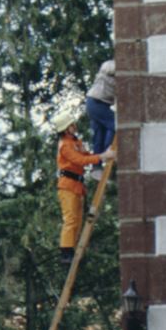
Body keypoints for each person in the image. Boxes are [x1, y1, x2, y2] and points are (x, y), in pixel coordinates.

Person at [55, 110, 111, 269]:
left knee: (78, 221)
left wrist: (100, 156)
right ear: (66, 128)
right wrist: (102, 157)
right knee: (71, 219)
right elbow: (80, 160)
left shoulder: (75, 142)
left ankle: (72, 250)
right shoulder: (65, 145)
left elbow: (86, 155)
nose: (74, 126)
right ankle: (66, 252)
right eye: (71, 124)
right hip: (67, 185)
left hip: (77, 185)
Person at [85, 59, 116, 155]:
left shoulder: (117, 79)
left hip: (94, 103)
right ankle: (108, 148)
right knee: (115, 123)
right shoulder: (109, 65)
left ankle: (97, 166)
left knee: (99, 135)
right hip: (96, 102)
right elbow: (110, 68)